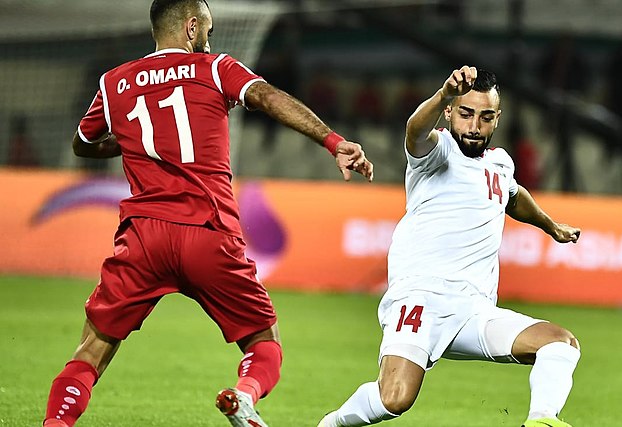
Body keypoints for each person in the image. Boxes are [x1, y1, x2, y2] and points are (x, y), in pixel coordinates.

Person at [42, 1, 373, 427]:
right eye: (208, 31)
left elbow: (81, 143)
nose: (210, 40)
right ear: (192, 27)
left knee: (92, 347)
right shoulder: (215, 68)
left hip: (144, 237)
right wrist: (333, 142)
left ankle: (56, 423)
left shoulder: (113, 82)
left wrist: (128, 142)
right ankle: (244, 395)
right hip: (208, 231)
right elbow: (268, 97)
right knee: (264, 342)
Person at [318, 67, 581, 427]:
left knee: (560, 343)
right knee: (394, 399)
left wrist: (552, 227)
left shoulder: (500, 164)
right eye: (465, 113)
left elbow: (515, 197)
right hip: (421, 298)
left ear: (497, 119)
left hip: (474, 310)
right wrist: (443, 93)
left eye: (485, 117)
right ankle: (330, 424)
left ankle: (540, 421)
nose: (474, 126)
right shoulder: (436, 151)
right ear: (449, 113)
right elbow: (414, 130)